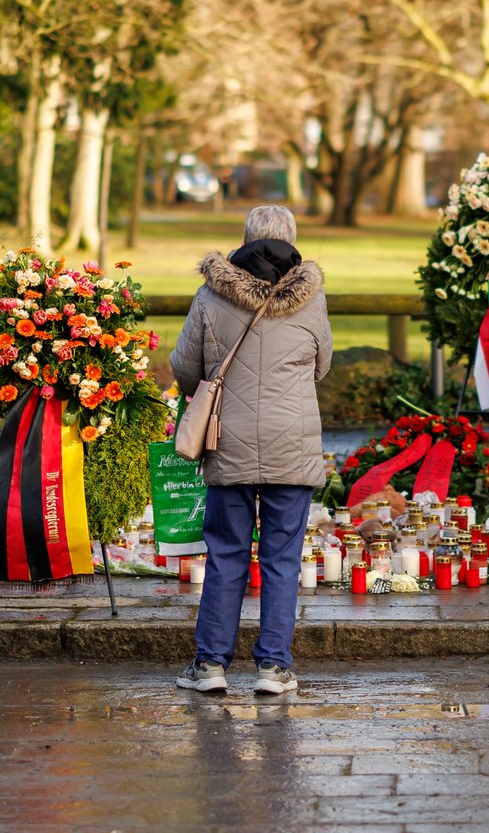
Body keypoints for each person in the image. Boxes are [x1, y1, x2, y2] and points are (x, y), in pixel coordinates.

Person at [171, 205, 331, 695]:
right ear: (292, 239)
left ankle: (210, 666)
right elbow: (321, 365)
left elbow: (184, 367)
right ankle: (273, 669)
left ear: (244, 240)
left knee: (226, 555)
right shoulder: (311, 297)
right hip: (292, 446)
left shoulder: (210, 295)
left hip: (229, 445)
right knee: (282, 559)